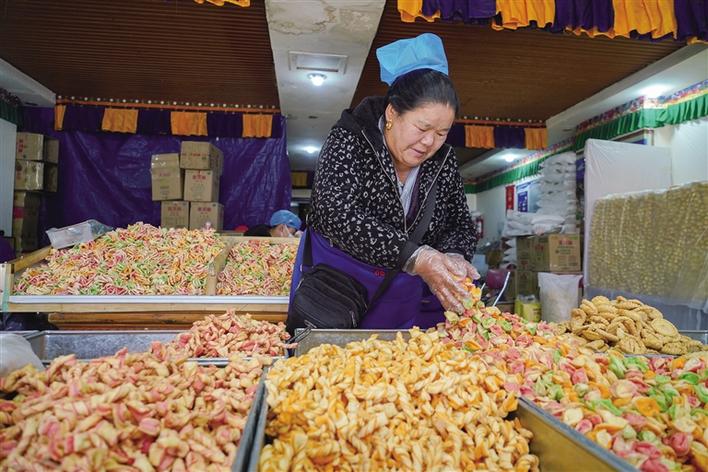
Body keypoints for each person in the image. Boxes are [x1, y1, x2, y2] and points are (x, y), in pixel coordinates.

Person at [289, 33, 479, 330]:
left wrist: (454, 254)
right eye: (422, 128)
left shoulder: (444, 160)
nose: (429, 142)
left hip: (403, 296)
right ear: (392, 113)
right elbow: (334, 212)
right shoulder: (350, 139)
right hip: (338, 292)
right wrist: (414, 256)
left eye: (441, 133)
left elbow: (459, 222)